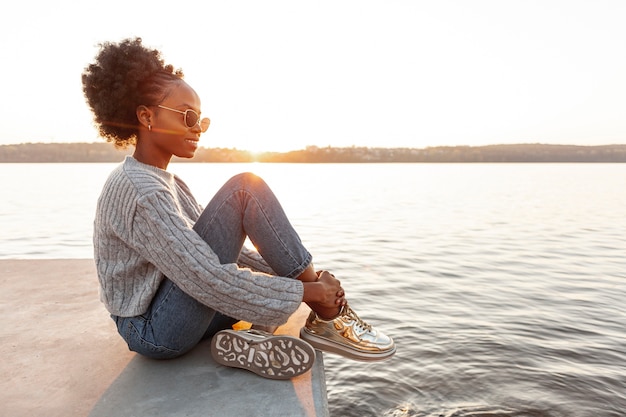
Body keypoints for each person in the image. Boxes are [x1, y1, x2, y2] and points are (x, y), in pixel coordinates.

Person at [82, 37, 395, 380]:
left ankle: (254, 338)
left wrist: (305, 278)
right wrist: (309, 291)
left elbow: (225, 256)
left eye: (201, 121)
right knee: (246, 188)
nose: (197, 129)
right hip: (152, 331)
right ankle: (326, 316)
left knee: (265, 276)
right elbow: (206, 276)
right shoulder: (140, 191)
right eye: (188, 117)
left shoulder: (165, 182)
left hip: (174, 311)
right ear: (147, 117)